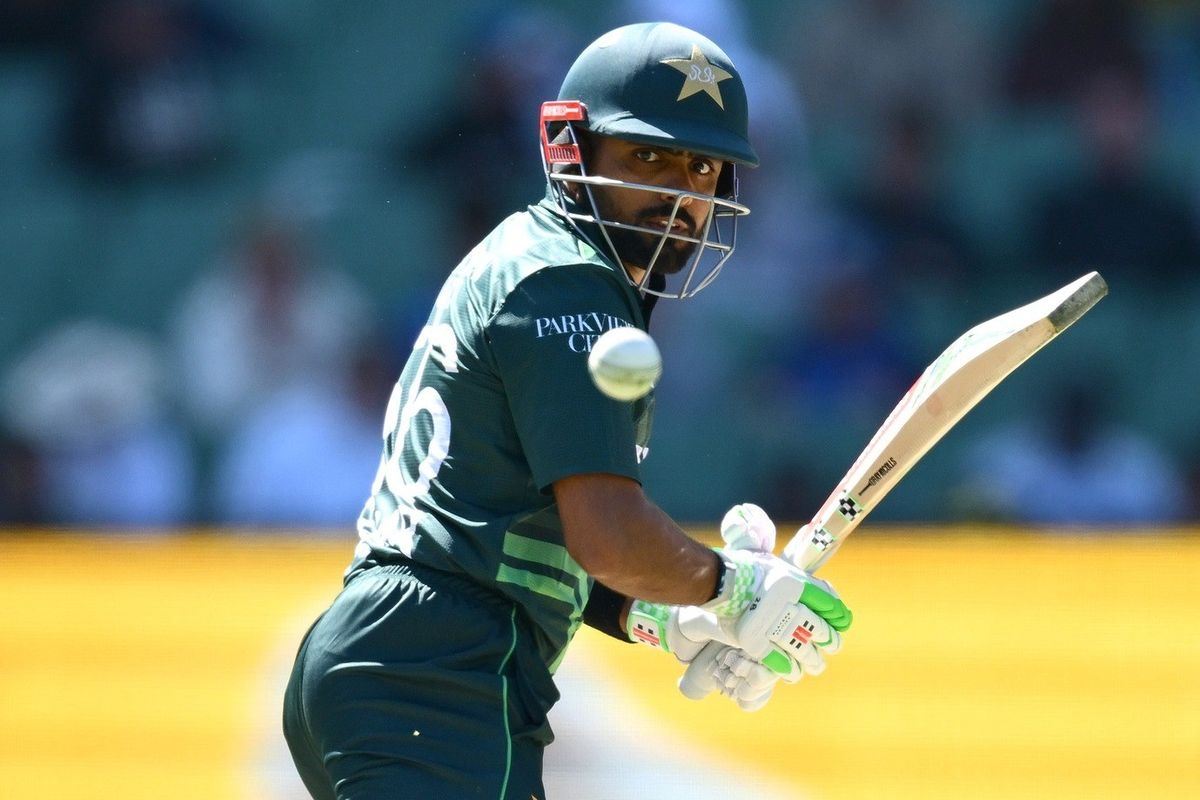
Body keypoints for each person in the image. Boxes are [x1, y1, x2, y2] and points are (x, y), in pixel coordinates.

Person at [282, 23, 853, 800]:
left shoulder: (538, 260)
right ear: (571, 151)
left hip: (406, 667)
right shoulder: (568, 286)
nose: (682, 194)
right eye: (648, 157)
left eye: (702, 166)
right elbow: (607, 536)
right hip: (437, 679)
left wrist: (666, 617)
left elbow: (530, 534)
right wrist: (728, 585)